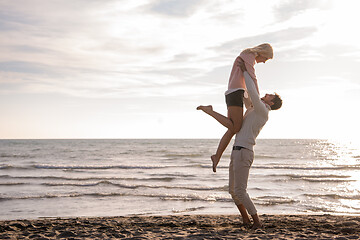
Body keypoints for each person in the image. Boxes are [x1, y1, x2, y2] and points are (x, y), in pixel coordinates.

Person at [200, 59, 282, 229]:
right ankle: (245, 219)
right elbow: (246, 96)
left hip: (244, 151)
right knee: (232, 191)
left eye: (269, 95)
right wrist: (241, 80)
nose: (266, 94)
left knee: (240, 191)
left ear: (271, 103)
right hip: (237, 151)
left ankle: (257, 222)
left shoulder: (263, 111)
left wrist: (246, 70)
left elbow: (251, 91)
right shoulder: (254, 108)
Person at [197, 43, 273, 172]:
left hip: (236, 92)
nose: (265, 62)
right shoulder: (249, 55)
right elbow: (252, 78)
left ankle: (217, 156)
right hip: (236, 92)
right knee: (236, 127)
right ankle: (210, 111)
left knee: (233, 128)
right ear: (263, 53)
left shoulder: (248, 56)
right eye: (266, 59)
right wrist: (257, 97)